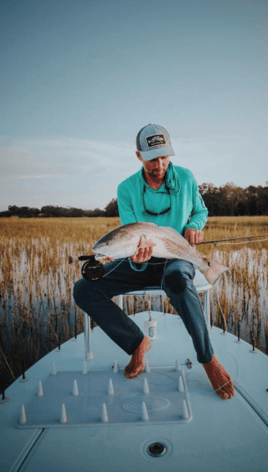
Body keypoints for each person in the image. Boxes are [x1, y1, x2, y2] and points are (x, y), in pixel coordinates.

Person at [73, 124, 234, 400]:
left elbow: (200, 210)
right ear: (138, 156)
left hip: (176, 257)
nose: (159, 164)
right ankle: (137, 342)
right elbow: (129, 236)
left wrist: (194, 226)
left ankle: (208, 360)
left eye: (164, 157)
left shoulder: (185, 177)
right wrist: (136, 261)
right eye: (152, 158)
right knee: (84, 289)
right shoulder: (126, 189)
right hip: (142, 260)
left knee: (177, 280)